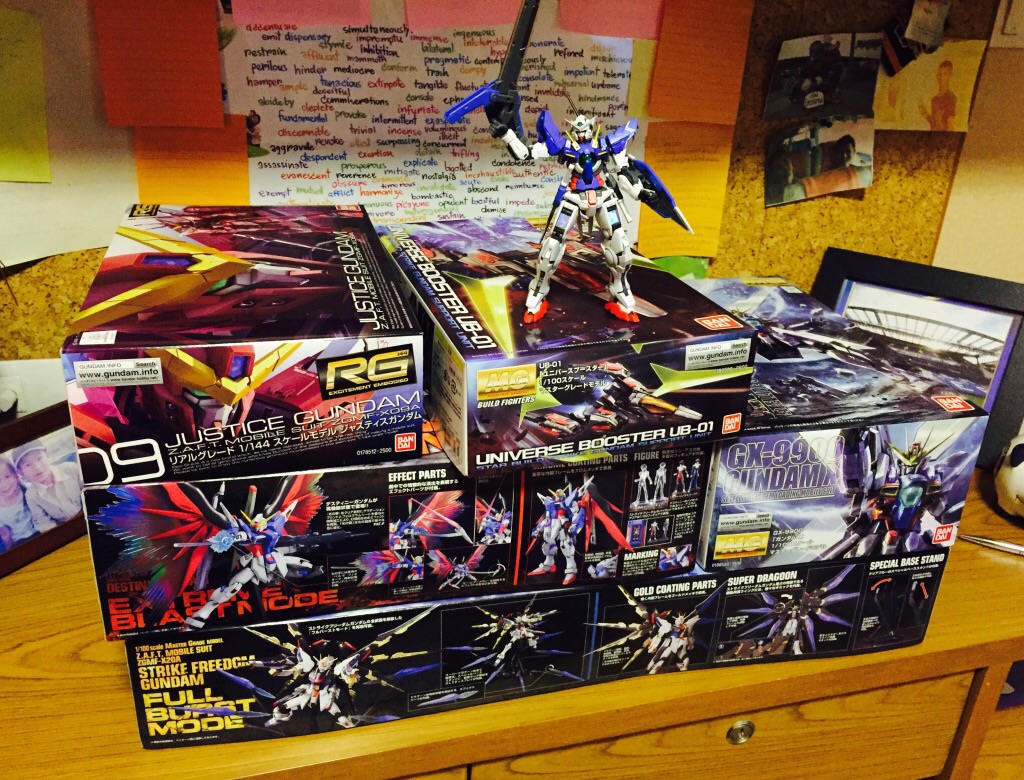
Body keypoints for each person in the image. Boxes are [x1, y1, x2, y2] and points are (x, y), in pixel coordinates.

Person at [13, 442, 82, 524]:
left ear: (47, 455)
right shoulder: (32, 496)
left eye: (39, 458)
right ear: (20, 472)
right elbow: (43, 522)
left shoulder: (70, 469)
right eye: (27, 465)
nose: (37, 467)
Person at [0, 456, 44, 546]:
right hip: (20, 541)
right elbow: (5, 535)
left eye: (7, 476)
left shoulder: (27, 489)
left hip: (40, 530)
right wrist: (11, 550)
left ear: (16, 475)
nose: (4, 484)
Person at [919, 60, 956, 131]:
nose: (941, 77)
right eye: (939, 74)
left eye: (944, 74)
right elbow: (934, 123)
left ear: (950, 75)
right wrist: (925, 113)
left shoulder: (950, 97)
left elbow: (950, 125)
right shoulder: (934, 99)